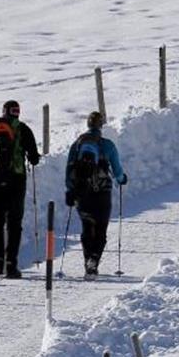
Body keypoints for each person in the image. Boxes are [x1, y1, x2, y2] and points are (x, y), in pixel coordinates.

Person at [0, 100, 41, 278]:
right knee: (14, 222)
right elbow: (34, 158)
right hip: (16, 179)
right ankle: (11, 265)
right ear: (17, 112)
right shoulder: (23, 129)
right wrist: (32, 156)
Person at [65, 111, 127, 280]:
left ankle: (87, 263)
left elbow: (69, 170)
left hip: (82, 193)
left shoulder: (77, 144)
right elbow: (118, 171)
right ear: (101, 126)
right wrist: (122, 180)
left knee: (87, 227)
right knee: (100, 229)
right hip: (102, 193)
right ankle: (94, 261)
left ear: (88, 124)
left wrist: (71, 190)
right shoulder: (108, 145)